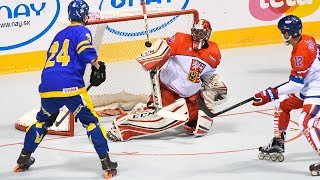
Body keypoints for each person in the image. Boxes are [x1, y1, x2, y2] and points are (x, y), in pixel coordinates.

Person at [13, 0, 117, 178]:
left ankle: (23, 158)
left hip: (47, 85)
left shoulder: (59, 34)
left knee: (41, 122)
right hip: (71, 87)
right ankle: (107, 163)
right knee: (91, 122)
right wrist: (98, 66)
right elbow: (86, 52)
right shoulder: (83, 31)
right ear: (84, 16)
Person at [107, 19, 227, 142]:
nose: (196, 36)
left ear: (208, 34)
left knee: (202, 121)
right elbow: (164, 44)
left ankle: (183, 119)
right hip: (168, 91)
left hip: (191, 97)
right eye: (194, 32)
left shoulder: (214, 52)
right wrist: (155, 55)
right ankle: (123, 127)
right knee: (161, 120)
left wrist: (215, 84)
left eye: (200, 33)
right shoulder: (181, 39)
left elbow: (209, 74)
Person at [252, 15, 320, 175]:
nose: (283, 35)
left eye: (284, 32)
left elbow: (297, 84)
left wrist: (270, 93)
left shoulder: (299, 54)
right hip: (311, 86)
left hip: (316, 90)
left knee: (306, 122)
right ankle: (278, 141)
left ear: (290, 33)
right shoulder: (308, 39)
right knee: (282, 102)